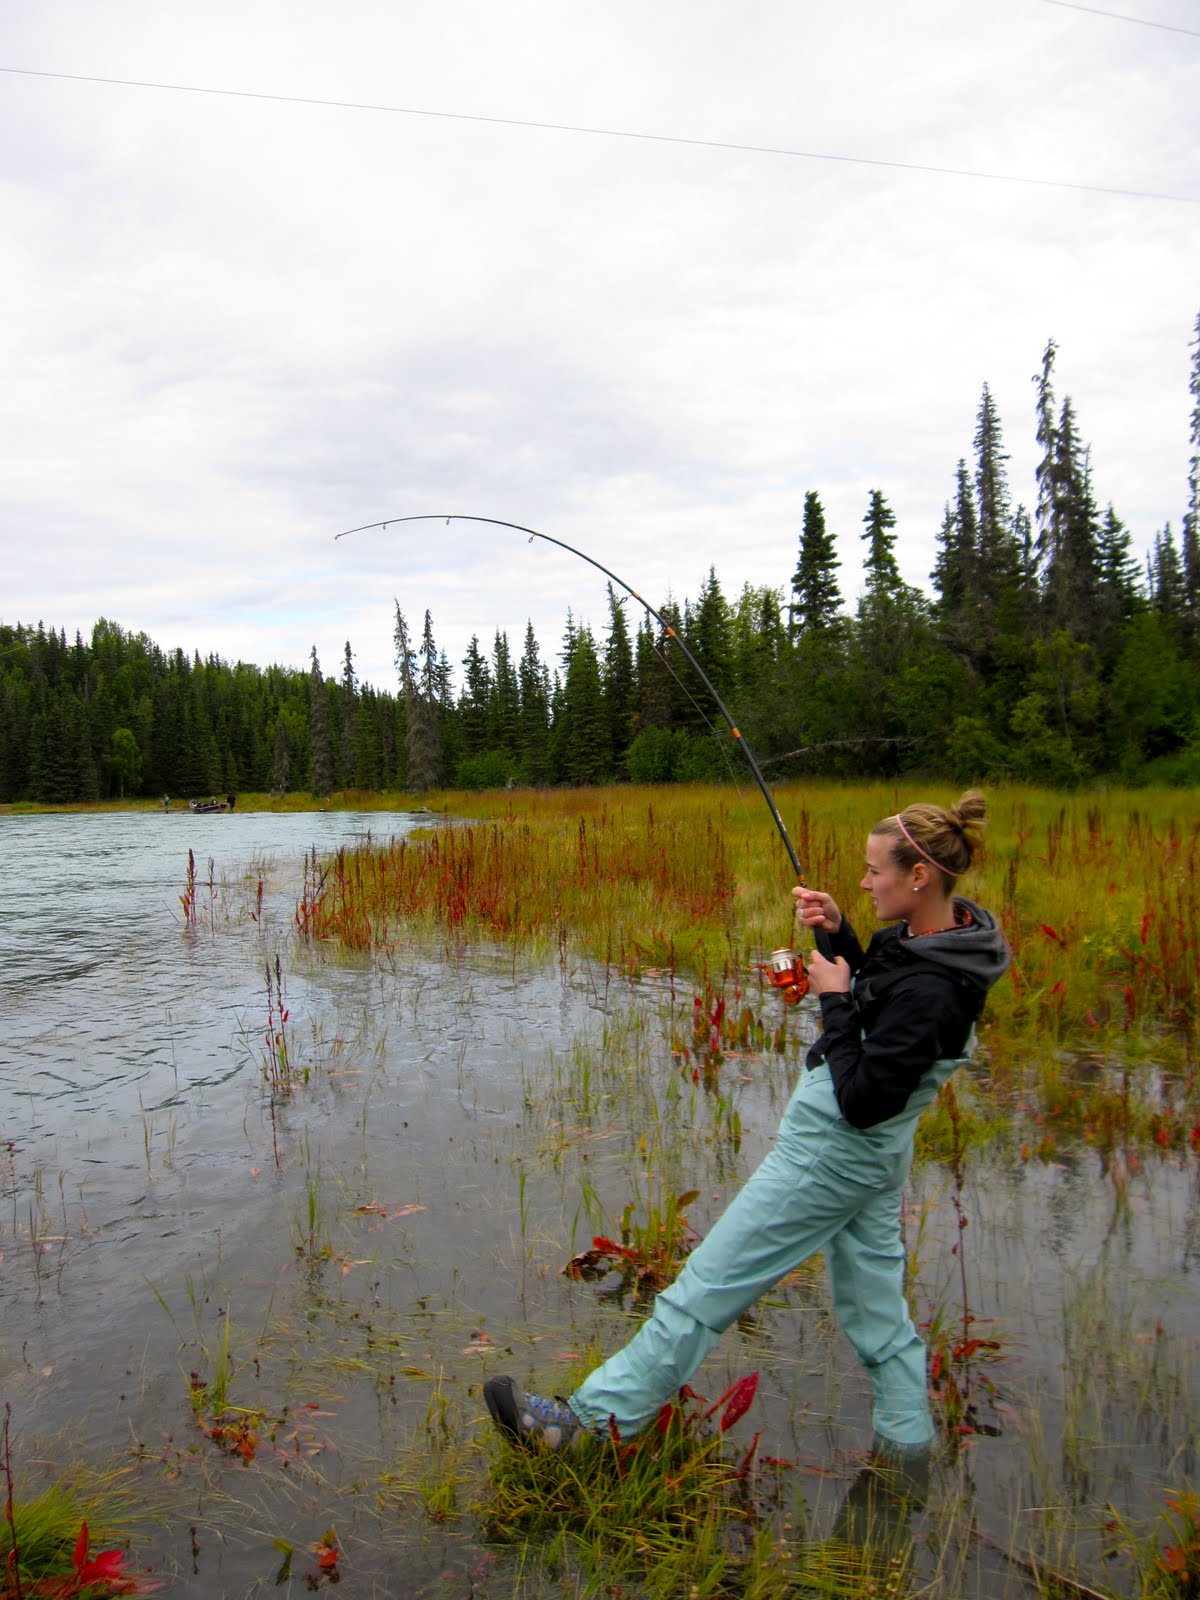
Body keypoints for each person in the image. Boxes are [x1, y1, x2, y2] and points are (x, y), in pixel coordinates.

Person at [484, 792, 1011, 1465]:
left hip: (835, 1154)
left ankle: (587, 1426)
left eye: (875, 870)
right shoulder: (938, 939)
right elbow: (882, 996)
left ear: (919, 876)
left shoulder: (937, 989)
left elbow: (863, 1097)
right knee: (879, 1317)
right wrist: (837, 933)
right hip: (874, 1161)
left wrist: (832, 1002)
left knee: (705, 1288)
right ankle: (907, 1456)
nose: (863, 879)